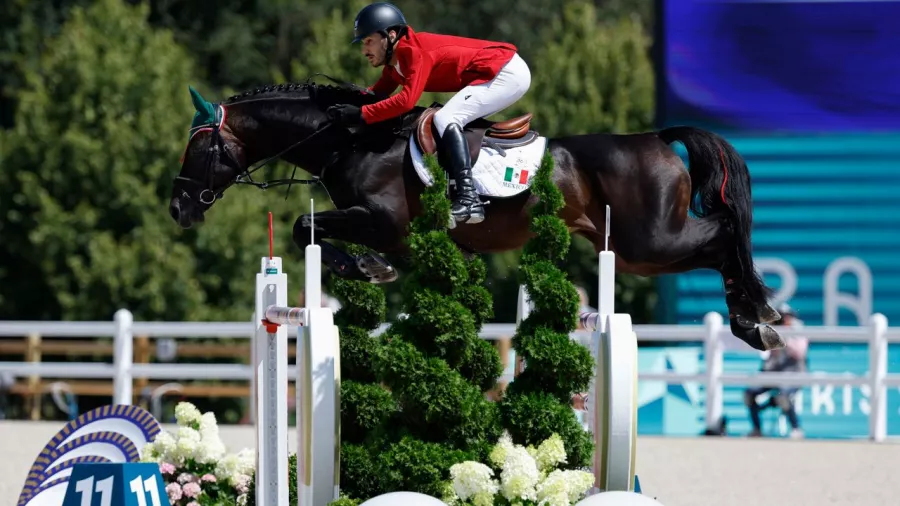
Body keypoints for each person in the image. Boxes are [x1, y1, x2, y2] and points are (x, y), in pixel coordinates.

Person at [325, 2, 532, 226]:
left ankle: (469, 197)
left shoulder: (414, 52)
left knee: (446, 118)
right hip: (498, 72)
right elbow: (376, 94)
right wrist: (342, 105)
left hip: (506, 73)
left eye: (368, 42)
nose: (364, 51)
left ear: (391, 35)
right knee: (447, 117)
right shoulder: (395, 64)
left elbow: (406, 101)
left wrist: (360, 114)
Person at [743, 303, 808, 438]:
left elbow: (799, 353)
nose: (781, 321)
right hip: (773, 373)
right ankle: (757, 429)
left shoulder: (798, 329)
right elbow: (767, 357)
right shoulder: (772, 330)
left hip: (793, 375)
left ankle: (796, 429)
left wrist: (785, 336)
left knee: (783, 396)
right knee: (749, 394)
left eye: (784, 317)